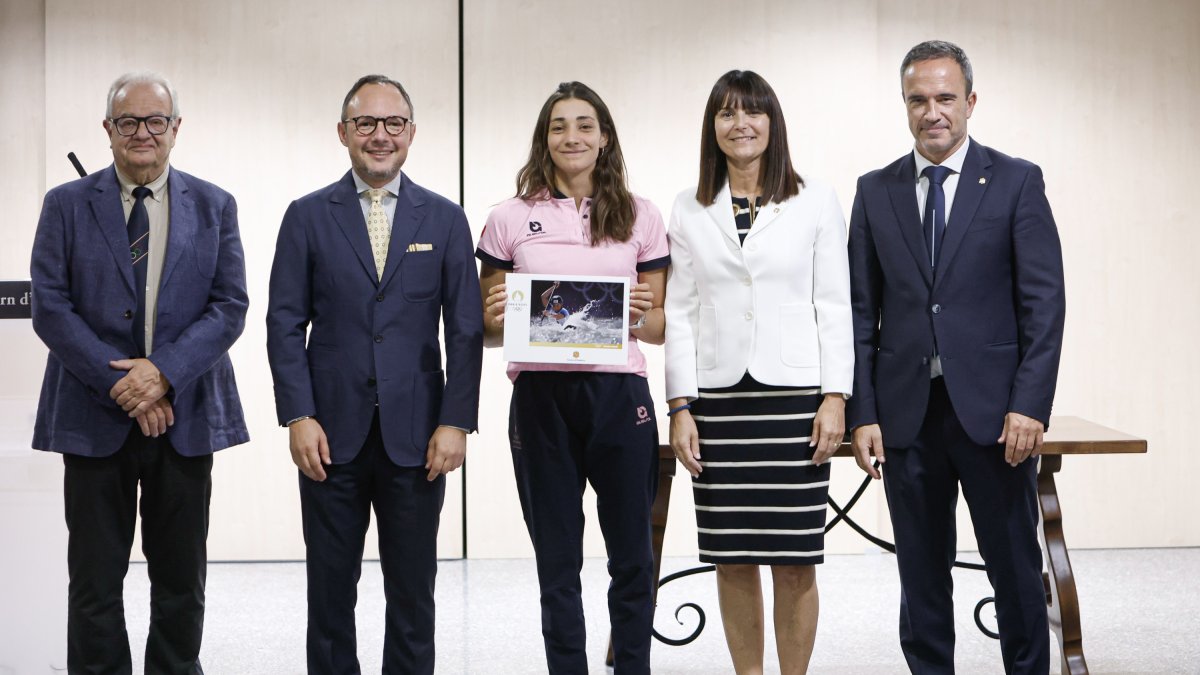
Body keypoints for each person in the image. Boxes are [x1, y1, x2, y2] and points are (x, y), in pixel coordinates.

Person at [847, 40, 1065, 674]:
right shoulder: (875, 190)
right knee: (920, 572)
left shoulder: (1017, 180)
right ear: (905, 106)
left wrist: (1030, 403)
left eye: (945, 98)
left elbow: (1043, 305)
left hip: (996, 416)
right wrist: (864, 412)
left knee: (1015, 567)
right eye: (918, 99)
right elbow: (863, 315)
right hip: (907, 414)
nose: (932, 111)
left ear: (970, 102)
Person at [30, 71, 249, 673]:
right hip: (92, 416)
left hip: (185, 416)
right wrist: (124, 384)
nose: (143, 133)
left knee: (181, 581)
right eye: (129, 122)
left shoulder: (214, 205)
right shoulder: (66, 206)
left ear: (176, 129)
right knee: (95, 583)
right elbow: (51, 306)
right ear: (108, 131)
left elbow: (230, 306)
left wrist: (163, 373)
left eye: (156, 121)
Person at [266, 74, 483, 675]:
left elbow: (463, 330)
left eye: (393, 124)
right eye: (366, 124)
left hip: (419, 440)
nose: (379, 136)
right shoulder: (307, 217)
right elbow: (285, 323)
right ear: (343, 133)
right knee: (330, 594)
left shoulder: (443, 219)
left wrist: (456, 422)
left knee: (413, 593)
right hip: (329, 437)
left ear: (412, 133)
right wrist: (298, 414)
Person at [663, 70, 853, 675]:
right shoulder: (690, 207)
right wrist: (680, 406)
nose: (739, 124)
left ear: (773, 122)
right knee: (732, 556)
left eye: (752, 112)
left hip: (795, 399)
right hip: (718, 405)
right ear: (711, 127)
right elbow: (681, 313)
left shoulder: (815, 198)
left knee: (796, 558)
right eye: (725, 113)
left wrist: (835, 397)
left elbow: (835, 303)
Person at [476, 81, 669, 674]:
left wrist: (642, 314)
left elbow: (660, 326)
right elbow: (486, 329)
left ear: (604, 136)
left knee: (632, 556)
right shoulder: (508, 219)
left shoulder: (642, 215)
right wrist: (490, 318)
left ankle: (632, 665)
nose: (572, 136)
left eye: (585, 124)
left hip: (620, 397)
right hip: (540, 400)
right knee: (557, 562)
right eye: (559, 126)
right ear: (544, 138)